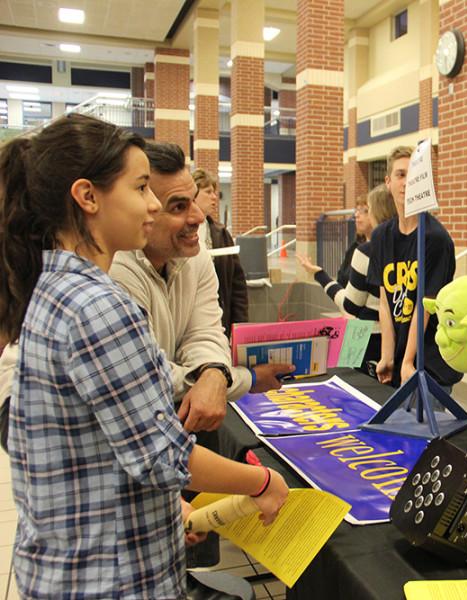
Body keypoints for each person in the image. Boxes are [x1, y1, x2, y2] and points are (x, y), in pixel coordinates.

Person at [0, 113, 288, 597]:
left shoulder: (52, 286)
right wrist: (259, 482)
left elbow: (108, 444)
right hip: (108, 578)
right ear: (88, 197)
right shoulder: (98, 304)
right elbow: (162, 455)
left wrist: (176, 508)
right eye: (140, 190)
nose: (151, 205)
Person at [108, 142, 293, 435]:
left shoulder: (196, 258)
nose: (197, 217)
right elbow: (145, 375)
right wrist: (233, 379)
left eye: (194, 200)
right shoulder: (114, 271)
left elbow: (205, 331)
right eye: (179, 206)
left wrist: (215, 374)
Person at [367, 146, 462, 391]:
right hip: (400, 363)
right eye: (400, 175)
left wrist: (409, 361)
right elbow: (385, 302)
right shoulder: (380, 237)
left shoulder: (435, 238)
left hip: (429, 366)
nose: (407, 182)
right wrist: (388, 356)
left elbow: (425, 305)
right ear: (388, 182)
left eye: (414, 176)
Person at [298, 185, 397, 373]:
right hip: (387, 337)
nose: (357, 216)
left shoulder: (366, 252)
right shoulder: (361, 248)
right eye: (357, 211)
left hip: (368, 337)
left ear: (378, 213)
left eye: (365, 210)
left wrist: (320, 276)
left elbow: (350, 304)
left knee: (362, 392)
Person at [193, 168, 249, 338]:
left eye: (215, 192)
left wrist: (240, 327)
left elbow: (237, 284)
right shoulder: (179, 233)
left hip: (219, 320)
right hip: (192, 320)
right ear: (193, 194)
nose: (214, 197)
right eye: (208, 191)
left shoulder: (221, 233)